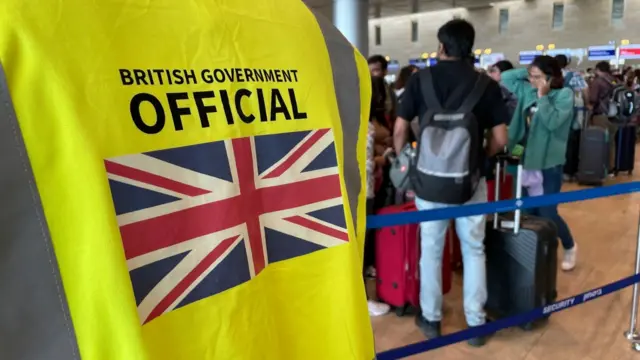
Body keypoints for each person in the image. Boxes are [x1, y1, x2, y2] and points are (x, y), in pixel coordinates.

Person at [393, 19, 509, 347]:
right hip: (470, 184)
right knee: (474, 249)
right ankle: (475, 324)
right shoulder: (484, 84)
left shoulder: (420, 81)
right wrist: (481, 159)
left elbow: (400, 130)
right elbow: (501, 137)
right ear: (470, 47)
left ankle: (430, 318)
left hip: (428, 183)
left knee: (430, 249)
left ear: (441, 46)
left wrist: (407, 164)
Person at [501, 55, 578, 271]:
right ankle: (537, 253)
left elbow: (553, 122)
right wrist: (529, 72)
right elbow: (506, 77)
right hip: (521, 154)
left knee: (548, 212)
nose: (532, 81)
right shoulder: (527, 90)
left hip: (547, 161)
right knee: (527, 212)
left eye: (537, 77)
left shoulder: (564, 95)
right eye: (531, 76)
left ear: (551, 77)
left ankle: (569, 245)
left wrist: (543, 96)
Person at [365, 76, 392, 317]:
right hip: (362, 188)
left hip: (363, 188)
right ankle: (362, 299)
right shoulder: (357, 116)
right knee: (360, 245)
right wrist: (381, 159)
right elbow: (362, 162)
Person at [588, 61, 619, 173]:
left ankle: (600, 167)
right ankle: (611, 166)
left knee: (600, 141)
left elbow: (593, 99)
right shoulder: (615, 80)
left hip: (601, 115)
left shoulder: (598, 82)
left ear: (598, 69)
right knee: (611, 142)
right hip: (615, 115)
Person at [368, 54, 397, 126]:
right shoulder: (363, 90)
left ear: (385, 71)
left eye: (375, 70)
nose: (370, 74)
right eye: (368, 70)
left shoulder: (390, 92)